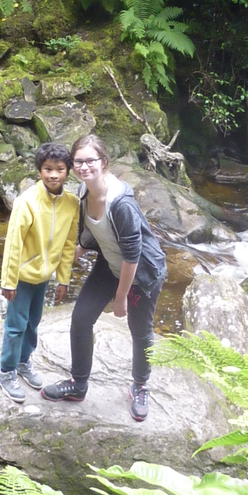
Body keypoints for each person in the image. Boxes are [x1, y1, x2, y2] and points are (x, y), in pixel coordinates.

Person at [41, 134, 166, 421]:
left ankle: (140, 385)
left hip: (141, 272)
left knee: (140, 330)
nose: (84, 167)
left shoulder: (120, 203)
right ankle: (78, 383)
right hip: (110, 263)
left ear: (104, 162)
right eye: (78, 162)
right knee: (81, 318)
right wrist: (75, 251)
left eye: (90, 161)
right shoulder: (83, 192)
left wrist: (121, 297)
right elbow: (91, 232)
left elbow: (133, 253)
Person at [0, 142, 79, 403]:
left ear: (68, 171)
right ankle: (5, 371)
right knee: (16, 326)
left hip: (44, 277)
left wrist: (63, 279)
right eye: (47, 169)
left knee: (33, 322)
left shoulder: (72, 203)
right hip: (21, 276)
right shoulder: (26, 201)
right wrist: (8, 281)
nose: (54, 175)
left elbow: (68, 244)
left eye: (60, 169)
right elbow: (13, 243)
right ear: (39, 170)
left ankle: (23, 362)